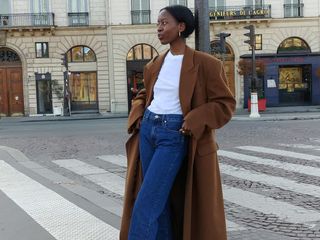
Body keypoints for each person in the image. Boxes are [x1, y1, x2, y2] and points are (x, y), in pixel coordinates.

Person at [120, 5, 236, 240]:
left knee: (146, 204)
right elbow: (146, 94)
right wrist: (140, 113)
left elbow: (225, 104)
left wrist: (195, 118)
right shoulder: (154, 65)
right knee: (158, 206)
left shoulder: (207, 64)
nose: (159, 28)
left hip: (174, 134)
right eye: (158, 24)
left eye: (164, 23)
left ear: (181, 27)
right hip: (149, 130)